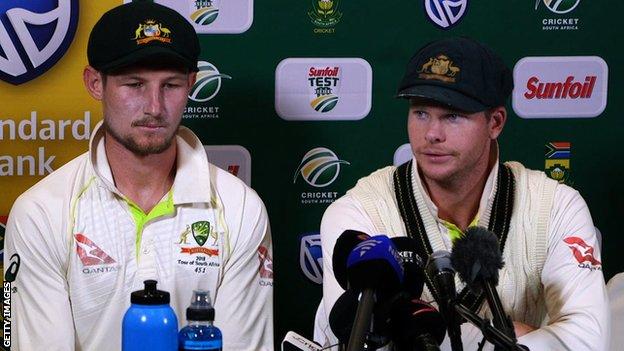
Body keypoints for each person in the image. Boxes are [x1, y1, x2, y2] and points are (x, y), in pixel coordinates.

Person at [3, 1, 273, 350]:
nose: (154, 107)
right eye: (134, 84)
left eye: (171, 85)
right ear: (94, 83)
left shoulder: (239, 209)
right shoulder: (41, 212)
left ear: (191, 84)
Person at [316, 37, 609, 350]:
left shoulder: (556, 207)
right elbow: (357, 342)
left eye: (452, 115)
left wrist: (431, 337)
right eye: (420, 113)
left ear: (495, 122)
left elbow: (588, 342)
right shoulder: (359, 210)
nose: (432, 134)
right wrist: (506, 334)